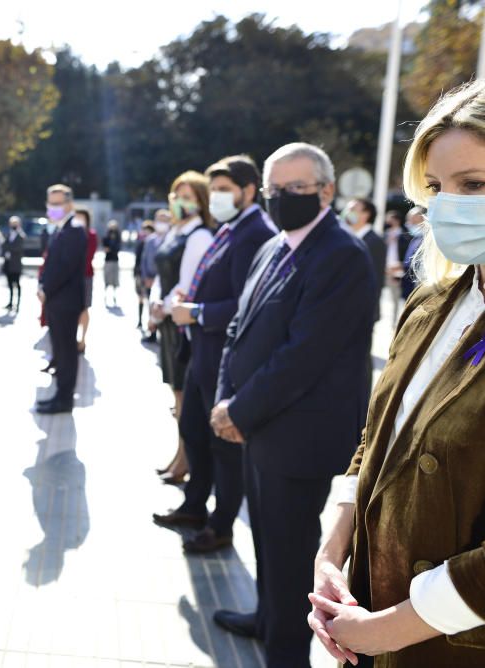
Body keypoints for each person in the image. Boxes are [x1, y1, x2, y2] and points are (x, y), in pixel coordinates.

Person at [308, 80, 485, 668]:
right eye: (435, 187)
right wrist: (332, 553)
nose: (446, 205)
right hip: (369, 627)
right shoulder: (432, 304)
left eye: (474, 185)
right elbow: (377, 441)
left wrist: (387, 630)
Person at [208, 142, 376, 666]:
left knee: (288, 548)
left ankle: (284, 651)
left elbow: (303, 357)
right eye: (276, 189)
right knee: (265, 537)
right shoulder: (273, 246)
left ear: (326, 191)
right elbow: (238, 331)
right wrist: (224, 401)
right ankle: (266, 618)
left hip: (297, 436)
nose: (283, 199)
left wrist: (238, 411)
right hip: (257, 426)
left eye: (296, 189)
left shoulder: (343, 256)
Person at [153, 155, 275, 553]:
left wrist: (199, 311)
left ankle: (220, 526)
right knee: (193, 430)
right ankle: (194, 506)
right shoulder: (230, 227)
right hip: (201, 352)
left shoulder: (254, 232)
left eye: (225, 190)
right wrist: (194, 298)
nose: (218, 197)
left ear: (248, 190)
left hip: (223, 356)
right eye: (215, 190)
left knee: (223, 448)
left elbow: (245, 304)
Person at [149, 173, 214, 485]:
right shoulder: (176, 231)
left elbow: (187, 283)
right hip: (167, 321)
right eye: (177, 195)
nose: (180, 202)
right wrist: (154, 303)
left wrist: (162, 306)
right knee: (177, 397)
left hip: (181, 324)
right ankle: (180, 455)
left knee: (183, 398)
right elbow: (161, 276)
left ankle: (185, 459)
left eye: (188, 196)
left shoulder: (199, 235)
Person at [35, 184, 87, 415]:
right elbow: (50, 263)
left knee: (66, 352)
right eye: (51, 203)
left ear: (69, 204)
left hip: (65, 301)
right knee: (59, 350)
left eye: (58, 203)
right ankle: (59, 394)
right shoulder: (60, 229)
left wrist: (46, 288)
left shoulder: (74, 229)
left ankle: (64, 398)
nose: (53, 208)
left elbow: (65, 267)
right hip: (57, 300)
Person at [345, 197, 388, 324]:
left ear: (366, 214)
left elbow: (375, 281)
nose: (347, 212)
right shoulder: (351, 238)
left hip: (360, 313)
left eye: (352, 209)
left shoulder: (374, 242)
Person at [137, 213, 169, 339]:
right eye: (159, 220)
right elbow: (144, 259)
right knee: (150, 305)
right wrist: (145, 277)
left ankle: (162, 333)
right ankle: (152, 332)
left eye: (164, 220)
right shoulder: (150, 240)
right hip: (149, 279)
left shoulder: (171, 239)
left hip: (163, 281)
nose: (161, 223)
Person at [384, 209, 414, 322]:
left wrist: (400, 268)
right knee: (389, 298)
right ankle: (391, 321)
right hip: (386, 270)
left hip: (399, 271)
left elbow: (407, 255)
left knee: (398, 298)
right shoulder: (385, 234)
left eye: (390, 219)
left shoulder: (405, 236)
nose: (388, 222)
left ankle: (396, 322)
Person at [76, 208, 99, 354]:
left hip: (85, 276)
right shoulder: (70, 234)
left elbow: (88, 256)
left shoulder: (91, 235)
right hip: (71, 278)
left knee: (84, 308)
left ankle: (83, 339)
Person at [401, 207, 426, 301]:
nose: (409, 224)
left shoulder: (428, 240)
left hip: (418, 289)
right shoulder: (415, 238)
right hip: (408, 287)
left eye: (413, 222)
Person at [3, 215, 25, 312]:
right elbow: (4, 246)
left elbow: (17, 248)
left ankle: (18, 304)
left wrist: (9, 248)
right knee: (10, 284)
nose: (13, 225)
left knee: (17, 284)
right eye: (12, 223)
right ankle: (10, 302)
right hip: (8, 263)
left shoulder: (20, 235)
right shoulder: (9, 234)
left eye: (15, 223)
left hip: (16, 265)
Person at [102, 220, 122, 307]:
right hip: (108, 260)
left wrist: (111, 248)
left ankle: (114, 297)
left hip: (115, 260)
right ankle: (106, 296)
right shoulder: (106, 237)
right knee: (106, 279)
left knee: (114, 280)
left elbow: (117, 248)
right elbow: (106, 248)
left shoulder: (118, 237)